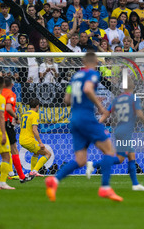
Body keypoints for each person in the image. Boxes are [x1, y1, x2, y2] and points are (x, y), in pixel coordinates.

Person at [45, 52, 123, 202]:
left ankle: (54, 180)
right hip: (87, 118)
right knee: (109, 151)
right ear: (94, 63)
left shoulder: (74, 77)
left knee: (80, 160)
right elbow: (88, 89)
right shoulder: (93, 74)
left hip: (74, 119)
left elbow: (66, 100)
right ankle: (105, 188)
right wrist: (100, 107)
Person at [86, 78, 144, 191]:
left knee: (130, 156)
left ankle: (135, 184)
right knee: (121, 158)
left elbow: (106, 113)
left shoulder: (117, 100)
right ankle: (93, 165)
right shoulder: (134, 98)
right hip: (125, 131)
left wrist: (98, 123)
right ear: (133, 87)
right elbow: (139, 113)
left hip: (119, 130)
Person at [1, 77, 29, 181]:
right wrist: (16, 117)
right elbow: (8, 108)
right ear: (12, 85)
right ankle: (21, 176)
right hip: (7, 123)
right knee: (14, 149)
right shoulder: (10, 94)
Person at [19, 98, 51, 177]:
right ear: (37, 106)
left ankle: (32, 172)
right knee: (48, 154)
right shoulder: (35, 114)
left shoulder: (25, 114)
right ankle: (34, 171)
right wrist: (40, 142)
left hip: (22, 139)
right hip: (28, 140)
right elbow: (34, 130)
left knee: (36, 153)